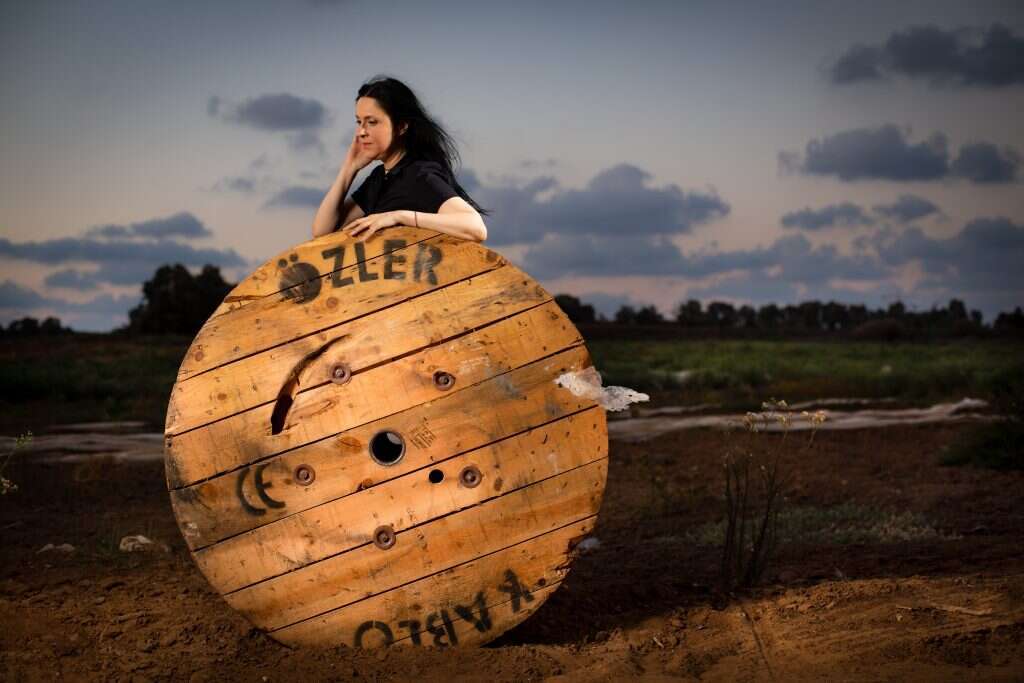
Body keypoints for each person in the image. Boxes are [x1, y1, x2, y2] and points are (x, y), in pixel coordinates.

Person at [312, 76, 488, 243]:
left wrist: (399, 216)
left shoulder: (419, 175)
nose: (361, 132)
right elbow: (323, 233)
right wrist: (349, 169)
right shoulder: (380, 177)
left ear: (401, 127)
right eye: (359, 122)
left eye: (372, 122)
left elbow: (475, 227)